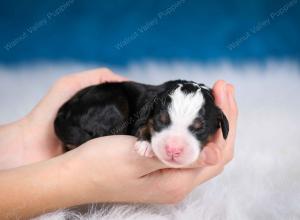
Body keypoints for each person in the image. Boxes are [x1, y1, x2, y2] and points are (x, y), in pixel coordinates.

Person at [0, 68, 238, 219]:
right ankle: (78, 142)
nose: (174, 145)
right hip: (86, 113)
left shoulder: (207, 111)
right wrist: (78, 175)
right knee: (121, 110)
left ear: (219, 125)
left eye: (196, 130)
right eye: (163, 123)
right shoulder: (153, 101)